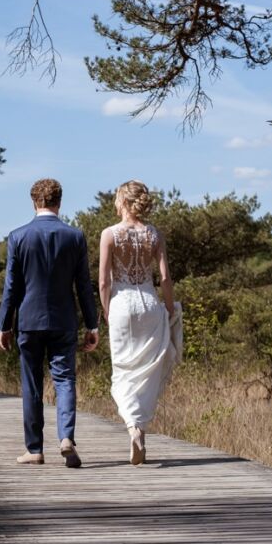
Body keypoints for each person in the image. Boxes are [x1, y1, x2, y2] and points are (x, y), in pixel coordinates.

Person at [0, 178, 99, 468]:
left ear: (34, 202)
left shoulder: (18, 236)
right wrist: (92, 326)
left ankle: (35, 449)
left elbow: (11, 287)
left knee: (31, 384)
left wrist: (4, 325)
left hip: (28, 321)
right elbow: (83, 286)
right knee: (65, 379)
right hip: (63, 320)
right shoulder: (75, 236)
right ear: (59, 202)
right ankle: (66, 437)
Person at [98, 180, 181, 465]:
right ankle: (140, 429)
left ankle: (133, 427)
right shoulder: (154, 234)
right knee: (148, 369)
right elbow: (166, 278)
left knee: (123, 370)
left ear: (122, 201)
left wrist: (107, 311)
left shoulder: (109, 234)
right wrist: (170, 310)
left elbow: (103, 281)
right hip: (149, 303)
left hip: (122, 304)